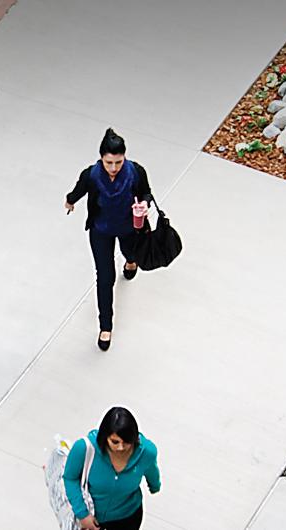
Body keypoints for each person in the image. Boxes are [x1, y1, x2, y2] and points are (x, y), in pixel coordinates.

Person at [65, 128, 152, 351]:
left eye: (118, 162)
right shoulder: (92, 175)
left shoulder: (135, 172)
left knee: (131, 254)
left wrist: (144, 204)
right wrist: (70, 201)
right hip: (101, 230)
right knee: (105, 277)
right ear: (101, 159)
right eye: (108, 163)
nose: (113, 168)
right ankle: (105, 326)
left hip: (128, 227)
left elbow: (146, 193)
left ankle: (131, 262)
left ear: (125, 158)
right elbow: (79, 189)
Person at [63, 406, 161, 530]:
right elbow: (70, 478)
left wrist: (155, 486)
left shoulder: (146, 452)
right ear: (105, 437)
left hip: (128, 518)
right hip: (92, 518)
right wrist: (82, 514)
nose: (121, 448)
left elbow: (152, 472)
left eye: (127, 442)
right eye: (115, 442)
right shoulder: (84, 448)